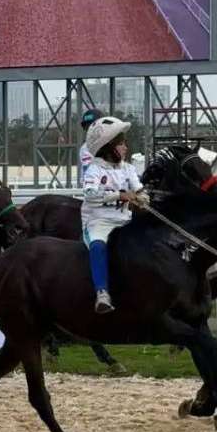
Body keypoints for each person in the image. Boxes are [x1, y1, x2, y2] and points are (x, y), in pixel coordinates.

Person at [81, 115, 146, 314]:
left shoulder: (128, 168)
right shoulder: (94, 169)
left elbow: (139, 190)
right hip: (98, 222)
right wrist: (120, 195)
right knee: (98, 246)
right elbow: (90, 195)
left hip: (125, 220)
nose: (126, 147)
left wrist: (143, 200)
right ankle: (102, 294)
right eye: (121, 144)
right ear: (109, 147)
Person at [77, 108, 105, 184]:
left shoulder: (113, 143)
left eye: (93, 125)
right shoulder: (84, 149)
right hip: (94, 189)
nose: (90, 129)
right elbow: (87, 173)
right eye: (87, 127)